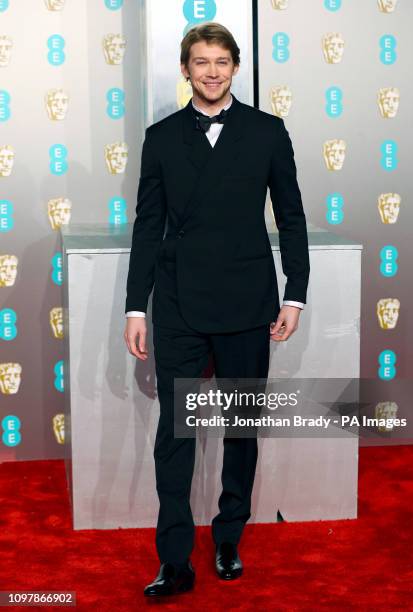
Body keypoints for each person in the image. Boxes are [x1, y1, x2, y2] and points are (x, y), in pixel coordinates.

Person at [124, 22, 310, 598]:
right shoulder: (160, 138)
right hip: (178, 302)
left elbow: (293, 218)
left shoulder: (267, 132)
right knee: (174, 436)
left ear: (234, 68)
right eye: (200, 62)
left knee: (240, 428)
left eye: (221, 62)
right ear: (185, 68)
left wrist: (295, 292)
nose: (210, 72)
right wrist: (136, 307)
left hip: (248, 301)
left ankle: (229, 536)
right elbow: (147, 227)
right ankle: (175, 560)